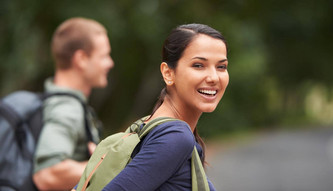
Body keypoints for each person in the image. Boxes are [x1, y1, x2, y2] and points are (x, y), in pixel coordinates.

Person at [102, 23, 228, 190]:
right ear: (168, 73)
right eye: (198, 65)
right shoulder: (175, 138)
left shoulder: (147, 125)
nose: (214, 77)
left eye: (221, 67)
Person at [33, 17, 114, 190]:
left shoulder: (59, 101)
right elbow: (47, 175)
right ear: (81, 59)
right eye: (104, 56)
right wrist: (105, 163)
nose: (110, 63)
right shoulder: (67, 108)